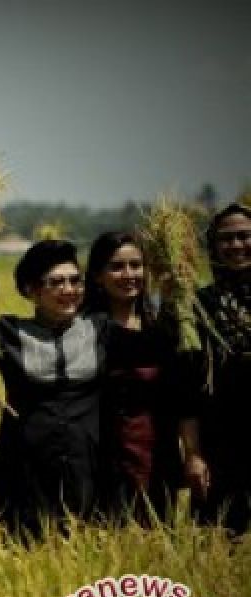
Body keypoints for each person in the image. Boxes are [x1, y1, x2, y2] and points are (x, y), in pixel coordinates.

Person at [0, 239, 109, 541]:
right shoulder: (7, 333)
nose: (69, 290)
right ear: (31, 290)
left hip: (87, 467)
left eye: (75, 281)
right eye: (56, 283)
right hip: (25, 469)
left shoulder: (100, 329)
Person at [82, 232, 184, 522]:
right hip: (105, 457)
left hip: (158, 454)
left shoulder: (165, 329)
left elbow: (183, 396)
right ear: (98, 276)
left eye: (136, 265)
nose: (129, 274)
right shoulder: (84, 331)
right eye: (116, 266)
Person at [183, 202, 251, 536]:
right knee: (219, 545)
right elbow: (188, 390)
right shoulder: (198, 307)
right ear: (213, 246)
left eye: (244, 236)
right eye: (226, 239)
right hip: (221, 446)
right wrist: (193, 455)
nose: (236, 245)